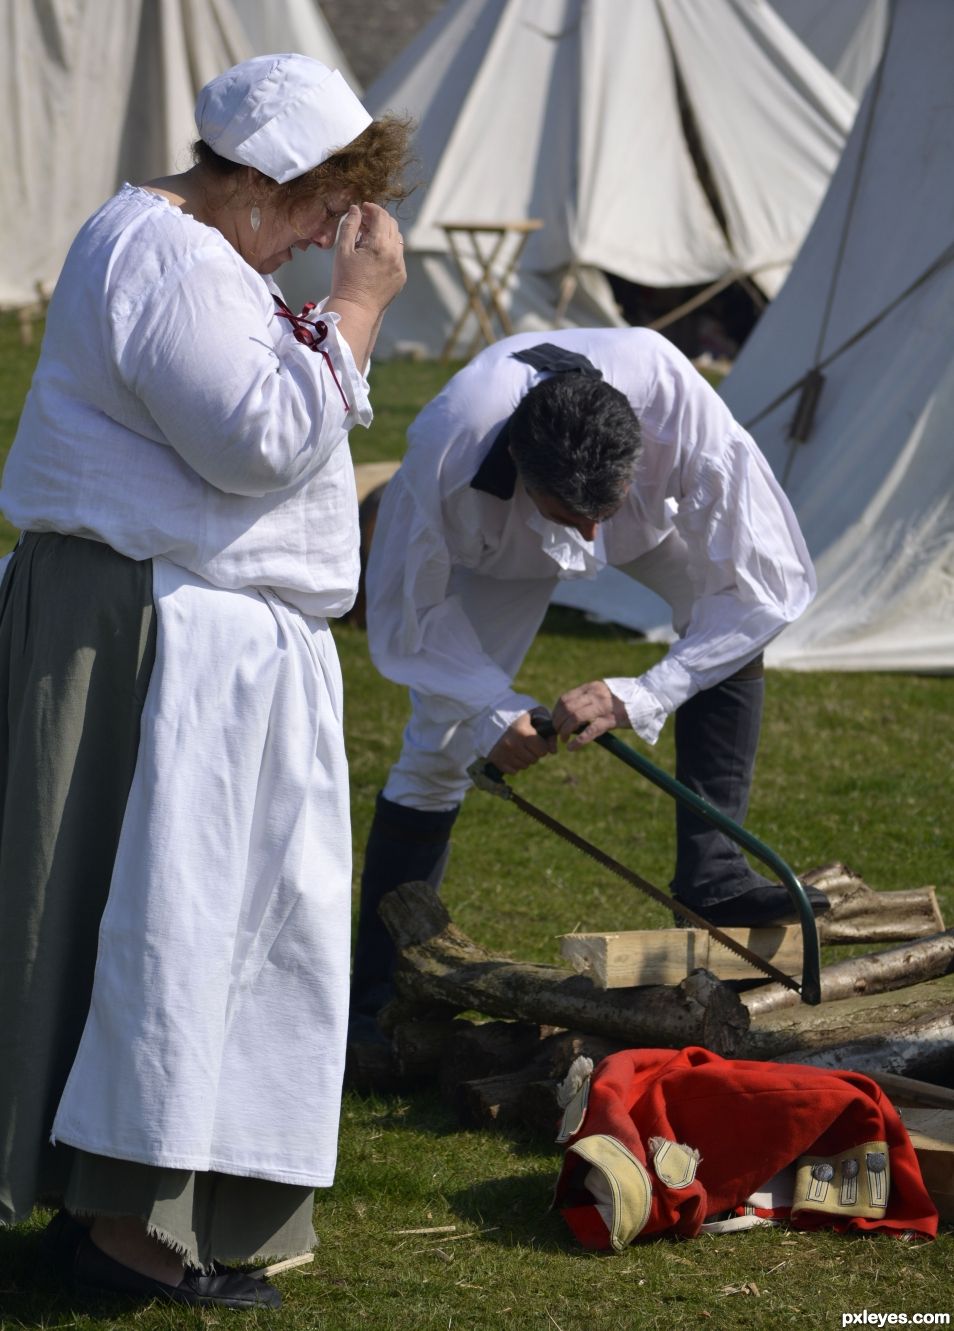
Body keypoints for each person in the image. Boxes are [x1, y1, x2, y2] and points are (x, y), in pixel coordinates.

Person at [0, 54, 408, 1309]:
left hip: (191, 640)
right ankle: (122, 1229)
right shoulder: (162, 254)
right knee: (145, 930)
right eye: (311, 210)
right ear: (255, 184)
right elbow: (256, 439)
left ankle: (133, 1209)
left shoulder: (203, 259)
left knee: (185, 930)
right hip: (138, 632)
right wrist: (359, 305)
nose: (312, 242)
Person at [351, 330, 829, 1047]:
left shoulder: (678, 405)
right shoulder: (446, 450)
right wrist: (489, 709)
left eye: (601, 512)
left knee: (719, 617)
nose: (589, 536)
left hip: (637, 518)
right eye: (573, 516)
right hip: (496, 554)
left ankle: (714, 877)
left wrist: (644, 691)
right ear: (520, 461)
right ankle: (375, 1005)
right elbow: (404, 617)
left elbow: (767, 585)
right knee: (437, 750)